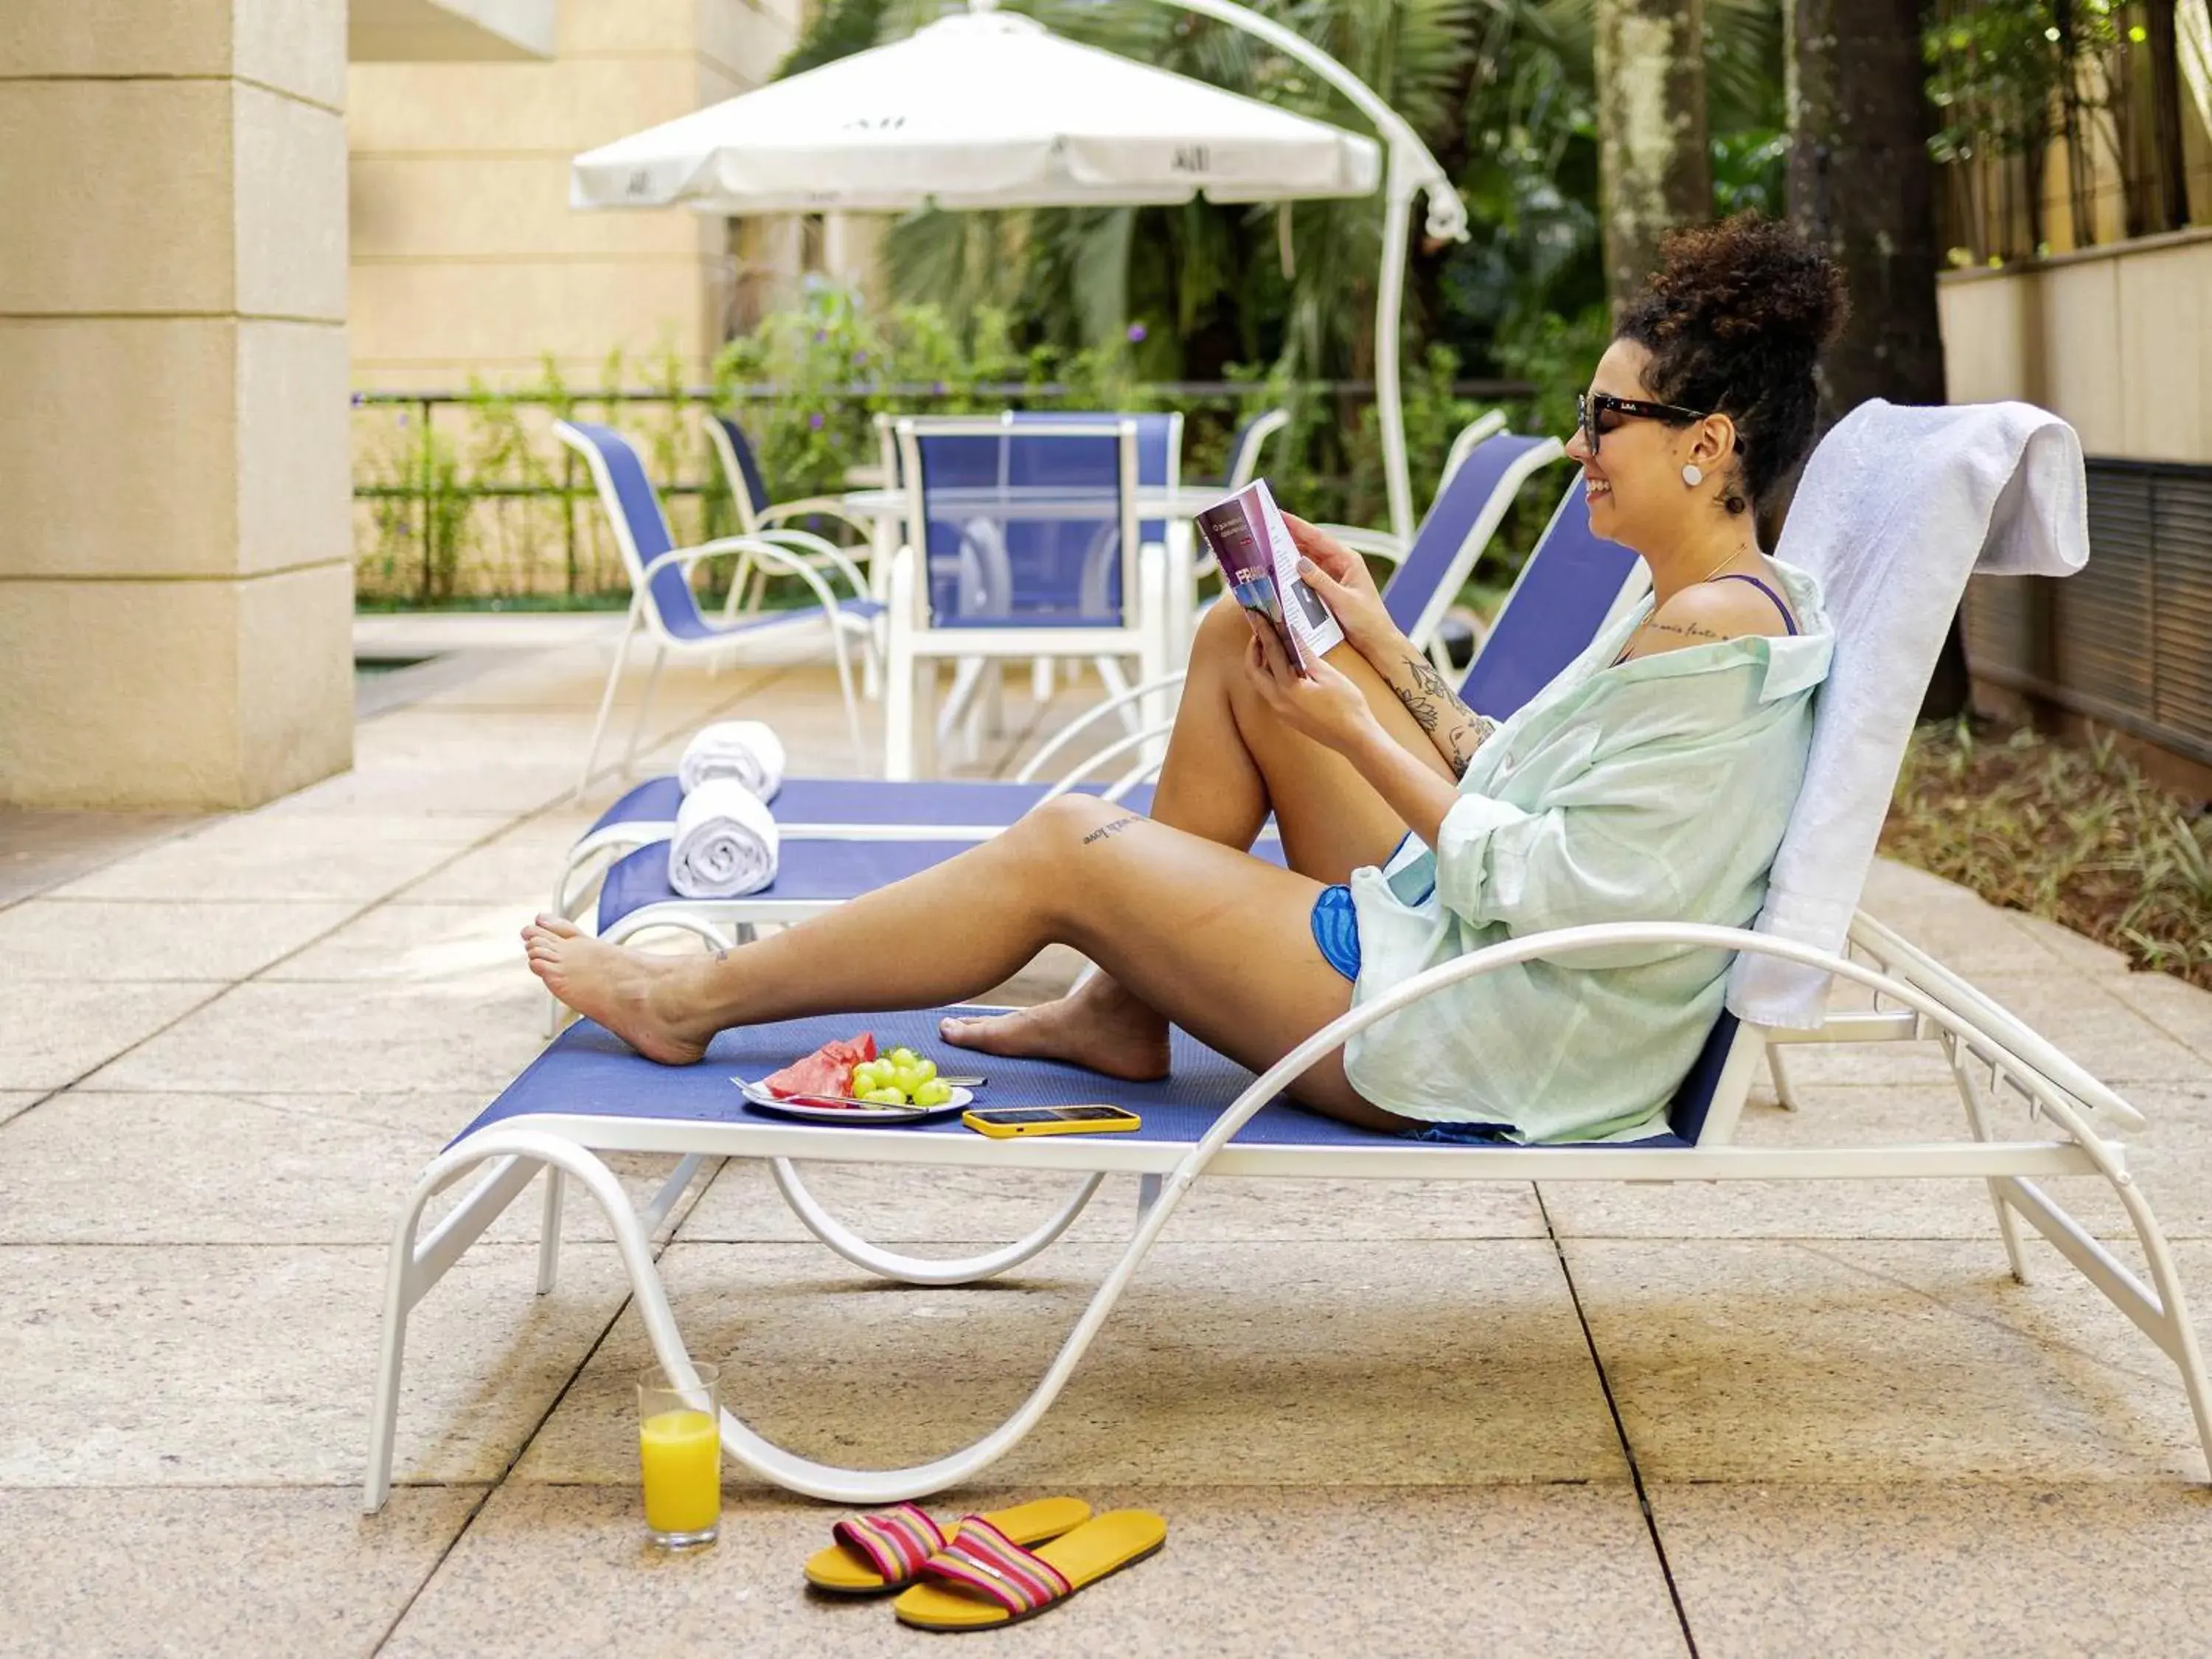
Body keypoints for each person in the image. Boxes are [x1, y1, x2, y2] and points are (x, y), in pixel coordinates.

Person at [526, 213, 1846, 1145]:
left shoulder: (1710, 641)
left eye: (1604, 419)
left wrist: (1353, 728)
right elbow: (1519, 780)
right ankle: (1120, 1004)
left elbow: (1563, 887)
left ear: (1705, 443)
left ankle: (686, 1001)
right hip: (1469, 945)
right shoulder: (1701, 609)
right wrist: (1376, 644)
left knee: (1065, 846)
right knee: (1240, 639)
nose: (1578, 446)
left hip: (1476, 1022)